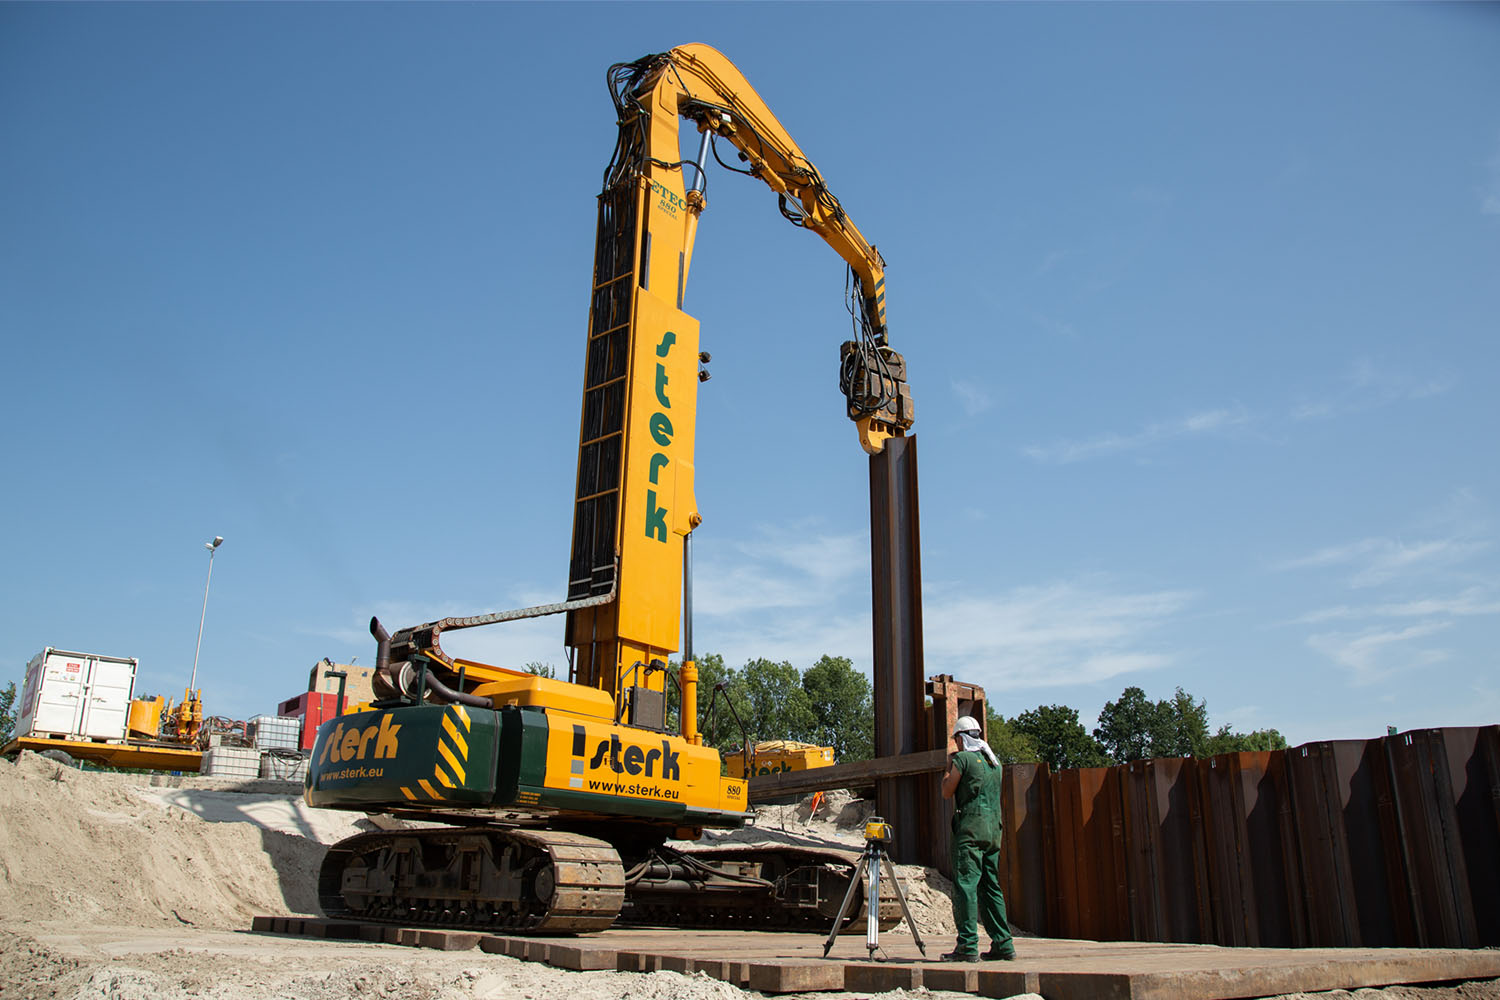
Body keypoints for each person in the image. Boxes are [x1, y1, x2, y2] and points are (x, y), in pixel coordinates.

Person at [940, 715, 1015, 962]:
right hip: (994, 830)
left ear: (961, 739)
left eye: (957, 740)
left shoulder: (962, 760)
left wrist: (947, 768)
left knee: (966, 886)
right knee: (991, 885)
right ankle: (1003, 944)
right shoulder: (995, 764)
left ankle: (967, 946)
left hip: (970, 830)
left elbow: (946, 791)